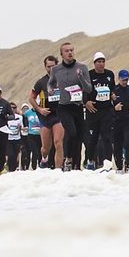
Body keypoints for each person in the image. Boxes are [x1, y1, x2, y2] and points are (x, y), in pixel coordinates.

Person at [44, 42, 93, 170]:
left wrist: (81, 77)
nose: (70, 53)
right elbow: (50, 84)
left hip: (77, 106)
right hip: (64, 107)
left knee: (80, 136)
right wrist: (50, 89)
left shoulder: (82, 67)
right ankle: (68, 159)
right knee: (71, 131)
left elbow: (88, 89)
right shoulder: (56, 69)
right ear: (61, 54)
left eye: (72, 50)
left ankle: (76, 163)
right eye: (66, 51)